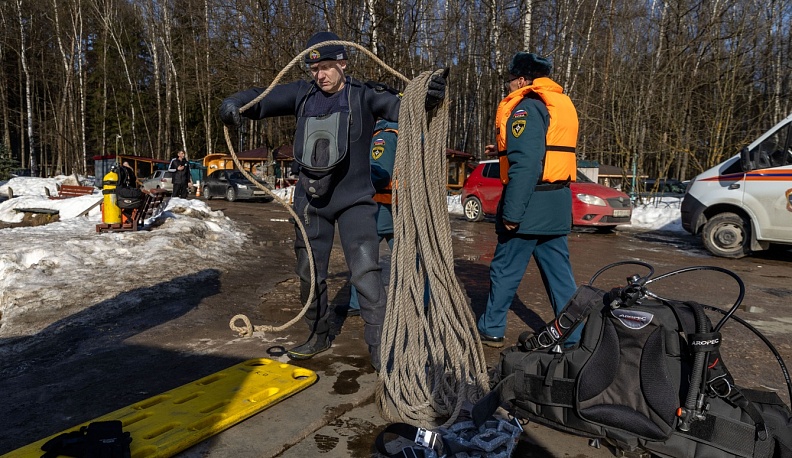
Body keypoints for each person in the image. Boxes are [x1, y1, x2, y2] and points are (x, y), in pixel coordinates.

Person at [218, 31, 446, 370]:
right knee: (309, 274)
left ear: (343, 62)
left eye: (326, 67)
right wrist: (232, 104)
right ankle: (318, 333)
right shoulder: (302, 93)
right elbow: (259, 99)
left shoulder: (365, 94)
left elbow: (404, 108)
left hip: (355, 201)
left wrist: (427, 98)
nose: (320, 75)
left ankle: (381, 349)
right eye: (314, 69)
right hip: (311, 201)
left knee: (366, 273)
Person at [476, 52, 581, 348]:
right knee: (560, 278)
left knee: (504, 271)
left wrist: (511, 213)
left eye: (510, 81)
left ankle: (492, 328)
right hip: (555, 205)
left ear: (522, 80)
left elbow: (527, 164)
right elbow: (547, 151)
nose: (508, 87)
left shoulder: (527, 107)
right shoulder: (558, 103)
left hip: (529, 207)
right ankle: (575, 335)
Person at [339, 120, 398, 317]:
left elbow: (379, 173)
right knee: (410, 258)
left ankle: (358, 302)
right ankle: (420, 300)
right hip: (399, 206)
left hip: (383, 206)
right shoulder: (405, 132)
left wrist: (351, 180)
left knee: (362, 253)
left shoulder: (385, 136)